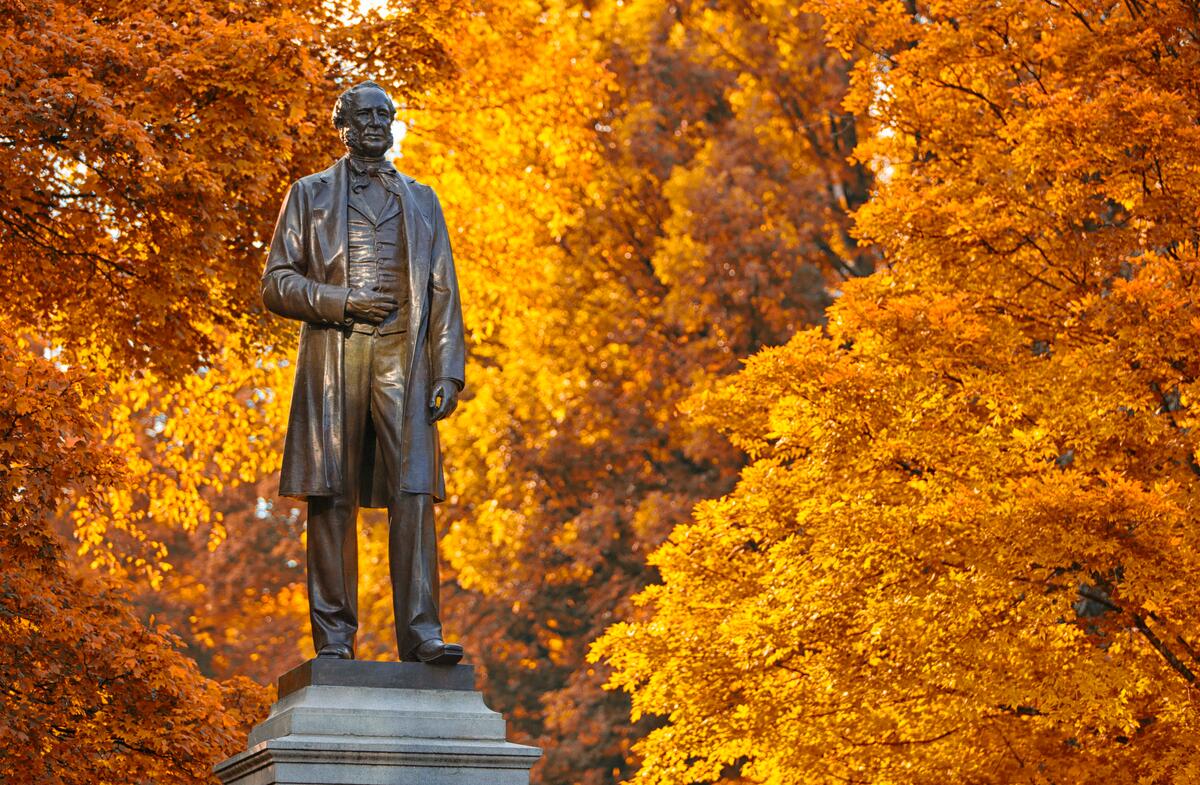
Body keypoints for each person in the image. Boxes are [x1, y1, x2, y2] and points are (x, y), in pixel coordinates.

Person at [261, 80, 466, 664]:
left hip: (406, 358)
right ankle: (333, 638)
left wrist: (448, 371)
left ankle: (422, 634)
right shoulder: (310, 194)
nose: (377, 123)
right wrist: (343, 300)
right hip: (337, 352)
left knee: (414, 492)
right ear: (343, 125)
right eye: (366, 114)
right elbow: (276, 283)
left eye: (385, 114)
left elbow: (444, 289)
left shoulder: (422, 199)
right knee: (332, 494)